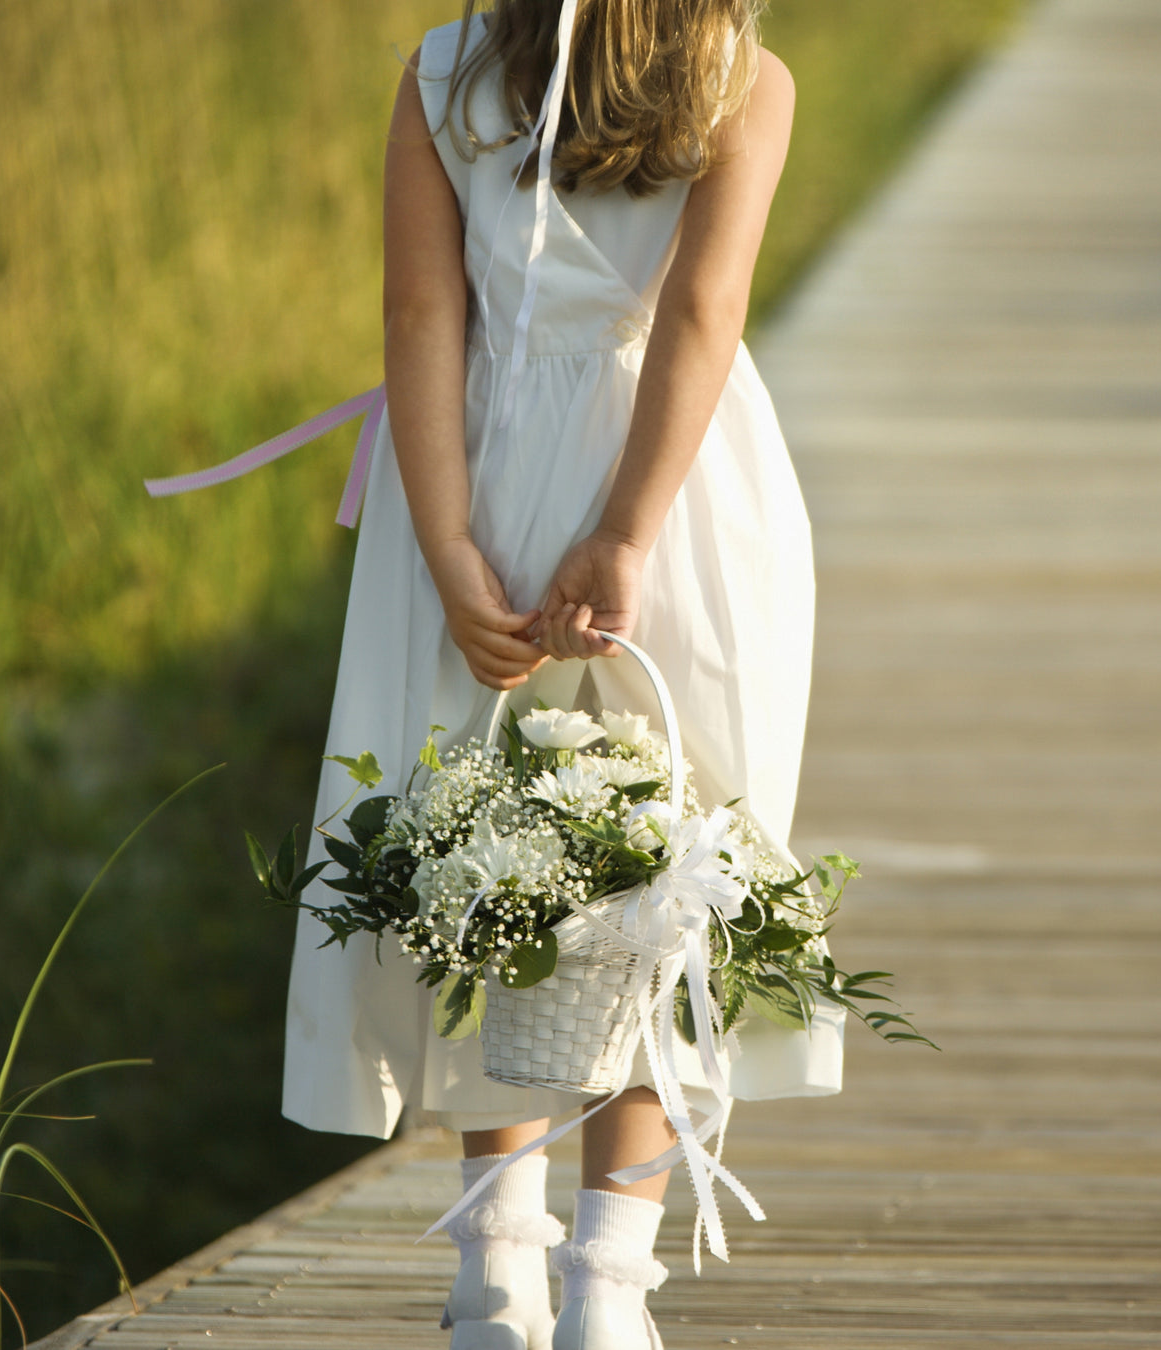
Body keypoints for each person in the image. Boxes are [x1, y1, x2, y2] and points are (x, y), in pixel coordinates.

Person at [283, 3, 844, 1347]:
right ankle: (607, 1287)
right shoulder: (741, 83)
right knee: (666, 853)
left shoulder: (442, 70)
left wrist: (445, 541)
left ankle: (493, 1268)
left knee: (482, 845)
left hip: (481, 468)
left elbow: (421, 307)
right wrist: (628, 530)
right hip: (677, 488)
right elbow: (701, 309)